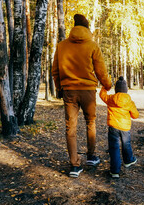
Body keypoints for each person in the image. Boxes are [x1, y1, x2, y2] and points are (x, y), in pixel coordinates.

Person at [52, 14, 112, 178]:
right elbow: (101, 70)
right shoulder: (92, 45)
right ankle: (91, 156)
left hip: (69, 91)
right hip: (88, 91)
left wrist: (59, 88)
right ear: (87, 28)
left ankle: (74, 166)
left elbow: (55, 71)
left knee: (70, 128)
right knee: (90, 123)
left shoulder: (61, 46)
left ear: (74, 27)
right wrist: (108, 85)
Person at [99, 76, 139, 178]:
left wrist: (105, 87)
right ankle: (128, 160)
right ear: (126, 90)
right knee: (126, 144)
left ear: (116, 89)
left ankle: (115, 171)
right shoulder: (130, 102)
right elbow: (135, 115)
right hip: (125, 128)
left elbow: (102, 95)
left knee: (114, 148)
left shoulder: (110, 98)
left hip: (113, 127)